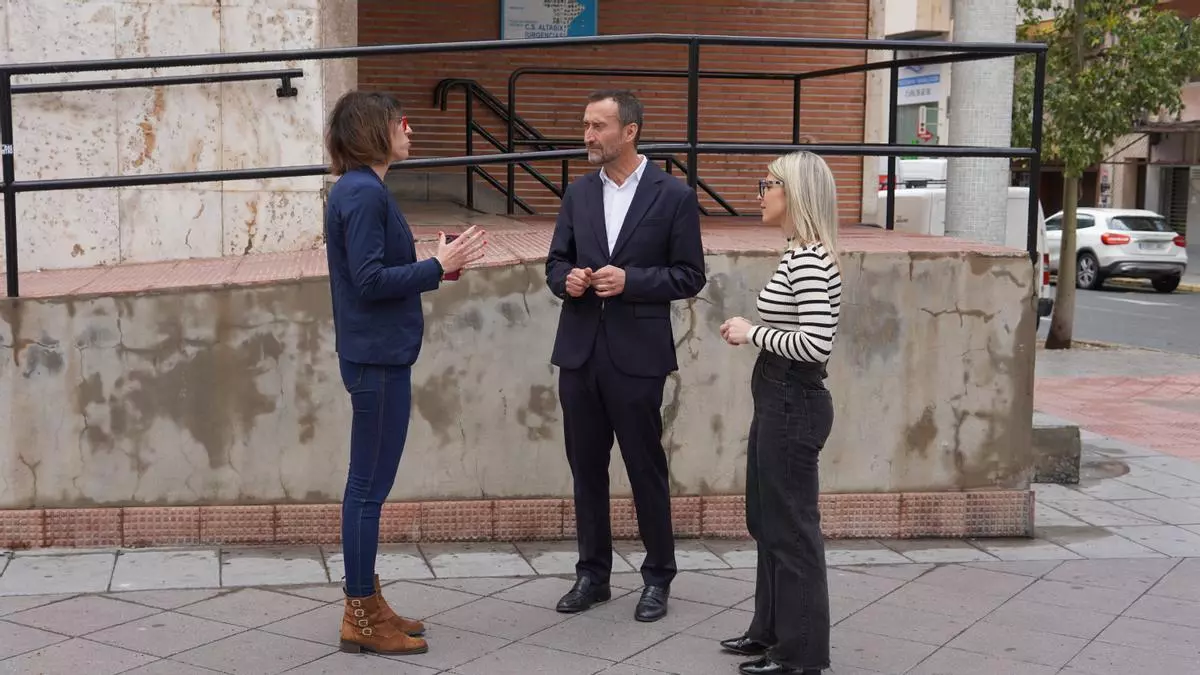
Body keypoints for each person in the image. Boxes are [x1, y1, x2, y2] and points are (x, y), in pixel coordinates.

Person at [323, 91, 486, 655]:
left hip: (376, 353)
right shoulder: (364, 192)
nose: (409, 131)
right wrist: (437, 265)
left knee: (368, 486)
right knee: (367, 489)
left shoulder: (358, 189)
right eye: (401, 123)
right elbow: (369, 280)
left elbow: (377, 270)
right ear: (375, 130)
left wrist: (436, 268)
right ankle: (360, 615)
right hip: (377, 357)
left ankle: (368, 602)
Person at [545, 89, 706, 623]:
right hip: (579, 352)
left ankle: (658, 577)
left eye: (598, 126)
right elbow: (555, 262)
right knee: (585, 470)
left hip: (637, 356)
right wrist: (565, 280)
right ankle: (592, 575)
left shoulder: (674, 196)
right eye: (586, 125)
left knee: (645, 469)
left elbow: (690, 275)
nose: (587, 136)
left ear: (629, 131)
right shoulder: (578, 193)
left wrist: (631, 280)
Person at [716, 151, 843, 675]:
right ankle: (769, 632)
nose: (760, 193)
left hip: (793, 400)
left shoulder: (811, 259)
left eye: (767, 184)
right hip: (778, 398)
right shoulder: (798, 254)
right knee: (767, 522)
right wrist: (756, 329)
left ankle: (800, 655)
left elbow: (815, 343)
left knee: (791, 532)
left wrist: (752, 333)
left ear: (795, 193)